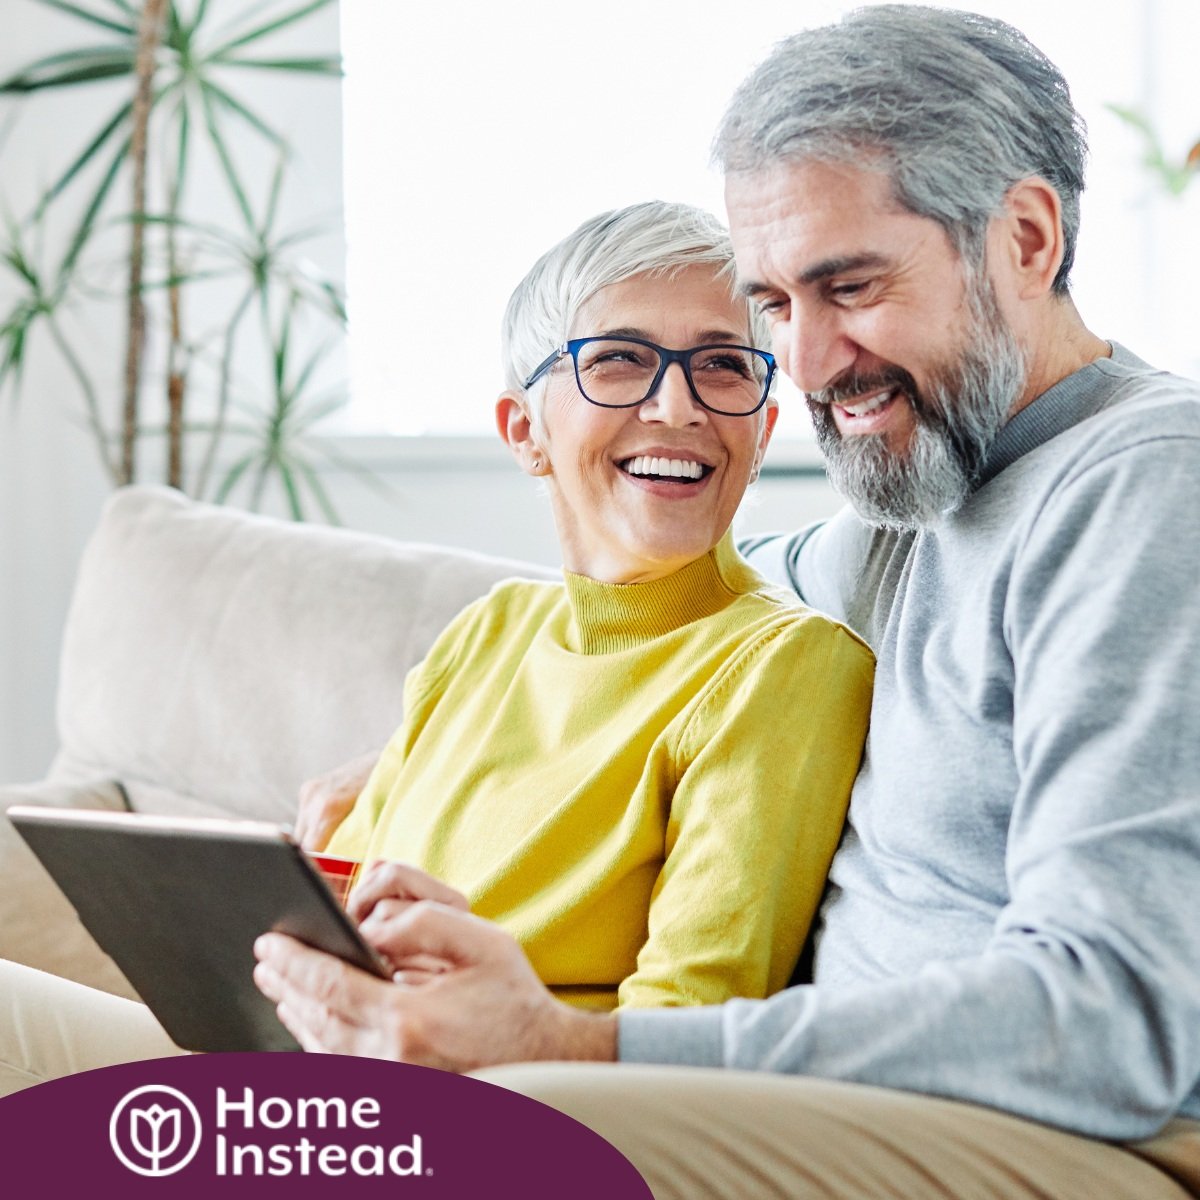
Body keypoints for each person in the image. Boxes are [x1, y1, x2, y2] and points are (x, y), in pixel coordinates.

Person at [252, 7, 1200, 1198]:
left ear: (1024, 237)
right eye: (776, 306)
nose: (802, 369)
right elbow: (646, 610)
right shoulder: (918, 502)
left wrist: (573, 1046)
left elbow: (1110, 1027)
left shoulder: (1146, 488)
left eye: (849, 287)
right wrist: (404, 761)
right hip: (827, 1108)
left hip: (1050, 1133)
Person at [0, 201, 874, 1093]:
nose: (677, 405)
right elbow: (357, 919)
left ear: (763, 428)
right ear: (525, 433)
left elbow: (689, 1032)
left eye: (725, 367)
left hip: (503, 1108)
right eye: (621, 361)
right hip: (312, 1062)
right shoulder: (488, 633)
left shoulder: (786, 665)